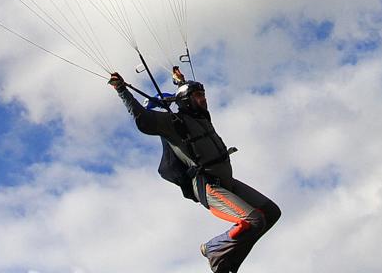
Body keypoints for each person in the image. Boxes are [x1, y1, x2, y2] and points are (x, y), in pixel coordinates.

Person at [109, 71, 281, 272]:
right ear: (187, 101)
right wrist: (122, 90)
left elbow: (186, 96)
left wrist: (180, 81)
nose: (204, 99)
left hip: (228, 182)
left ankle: (229, 263)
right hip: (209, 186)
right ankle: (212, 248)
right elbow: (143, 118)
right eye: (199, 96)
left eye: (203, 95)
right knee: (254, 220)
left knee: (271, 212)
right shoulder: (173, 123)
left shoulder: (202, 118)